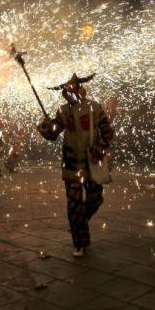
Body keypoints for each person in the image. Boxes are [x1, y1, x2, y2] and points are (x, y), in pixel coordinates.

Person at [37, 73, 114, 257]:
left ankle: (80, 222)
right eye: (65, 90)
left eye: (70, 89)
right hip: (72, 164)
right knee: (74, 206)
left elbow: (108, 132)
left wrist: (100, 150)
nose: (67, 92)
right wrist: (47, 126)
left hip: (92, 163)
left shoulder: (95, 108)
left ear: (80, 90)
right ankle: (79, 242)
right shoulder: (63, 111)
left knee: (95, 198)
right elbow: (53, 135)